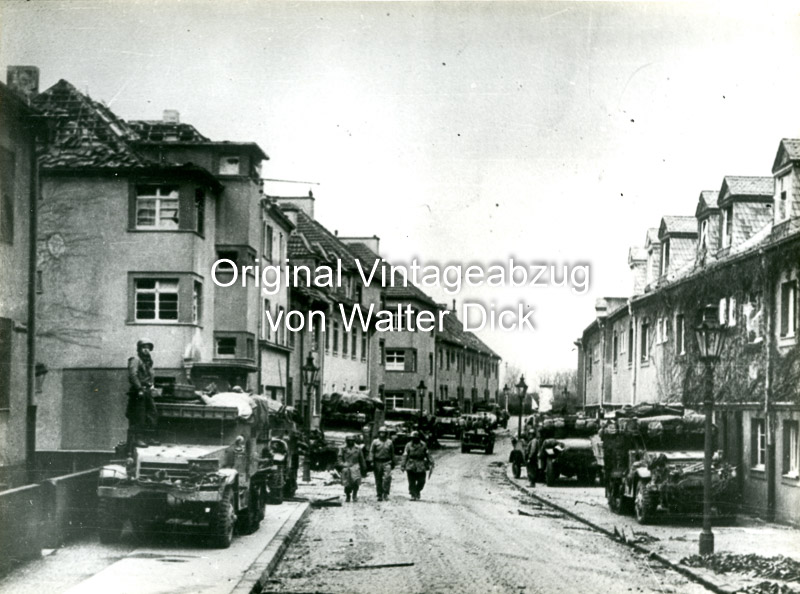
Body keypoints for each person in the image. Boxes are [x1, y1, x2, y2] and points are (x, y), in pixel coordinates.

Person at [126, 338, 159, 450]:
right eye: (144, 348)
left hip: (147, 391)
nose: (146, 350)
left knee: (152, 414)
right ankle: (138, 438)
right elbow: (133, 375)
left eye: (148, 348)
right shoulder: (135, 360)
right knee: (139, 415)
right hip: (138, 392)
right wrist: (139, 388)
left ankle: (149, 437)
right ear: (139, 349)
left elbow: (150, 376)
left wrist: (152, 386)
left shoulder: (147, 362)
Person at [401, 431, 434, 501]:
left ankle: (417, 491)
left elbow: (427, 454)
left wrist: (431, 462)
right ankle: (413, 494)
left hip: (420, 464)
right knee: (411, 481)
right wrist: (403, 465)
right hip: (411, 464)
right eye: (413, 438)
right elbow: (405, 455)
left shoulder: (423, 445)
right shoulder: (408, 445)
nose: (414, 439)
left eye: (416, 438)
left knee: (422, 481)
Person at [337, 434, 367, 502]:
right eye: (349, 441)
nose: (350, 442)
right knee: (347, 483)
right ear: (347, 441)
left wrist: (364, 468)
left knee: (356, 482)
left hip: (355, 466)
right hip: (346, 466)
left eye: (352, 441)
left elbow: (361, 459)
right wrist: (342, 464)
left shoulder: (358, 448)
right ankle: (348, 495)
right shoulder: (342, 448)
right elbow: (339, 458)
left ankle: (355, 495)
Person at [368, 426, 395, 501]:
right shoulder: (375, 442)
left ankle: (386, 493)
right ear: (379, 433)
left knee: (387, 477)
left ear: (386, 434)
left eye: (384, 433)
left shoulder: (390, 442)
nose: (382, 434)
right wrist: (371, 461)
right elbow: (371, 452)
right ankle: (379, 494)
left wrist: (393, 462)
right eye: (381, 433)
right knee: (378, 479)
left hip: (387, 462)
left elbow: (392, 453)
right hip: (377, 462)